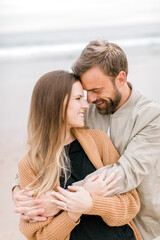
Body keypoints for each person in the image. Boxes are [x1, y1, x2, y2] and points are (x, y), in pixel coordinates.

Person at [16, 70, 141, 240]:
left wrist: (91, 202)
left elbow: (130, 205)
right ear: (55, 104)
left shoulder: (99, 141)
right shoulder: (30, 165)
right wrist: (74, 209)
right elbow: (41, 236)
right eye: (77, 99)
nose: (86, 105)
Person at [71, 40, 160, 240]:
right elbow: (49, 138)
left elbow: (126, 172)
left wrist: (63, 196)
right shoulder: (86, 111)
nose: (90, 99)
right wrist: (19, 187)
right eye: (86, 92)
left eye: (96, 90)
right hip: (96, 226)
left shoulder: (152, 116)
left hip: (144, 229)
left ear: (121, 78)